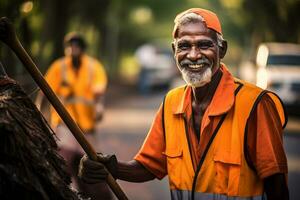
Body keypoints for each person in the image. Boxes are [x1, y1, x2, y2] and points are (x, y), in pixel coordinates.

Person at [78, 8, 289, 200]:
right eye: (184, 46)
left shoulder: (255, 105)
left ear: (221, 50)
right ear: (174, 51)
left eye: (204, 45)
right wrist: (111, 169)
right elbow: (149, 167)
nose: (194, 55)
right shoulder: (172, 102)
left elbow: (277, 187)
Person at [36, 32, 110, 199]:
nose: (72, 49)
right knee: (62, 162)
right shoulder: (59, 67)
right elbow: (44, 91)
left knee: (92, 169)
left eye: (76, 46)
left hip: (86, 128)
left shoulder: (93, 66)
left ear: (82, 49)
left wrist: (99, 106)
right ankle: (59, 194)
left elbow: (99, 91)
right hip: (64, 125)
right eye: (70, 46)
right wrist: (38, 113)